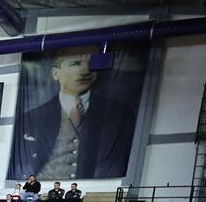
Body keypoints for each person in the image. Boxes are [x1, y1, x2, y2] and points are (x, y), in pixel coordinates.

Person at [9, 48, 137, 180]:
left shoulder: (121, 113)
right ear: (55, 73)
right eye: (76, 64)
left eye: (91, 64)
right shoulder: (30, 118)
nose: (86, 71)